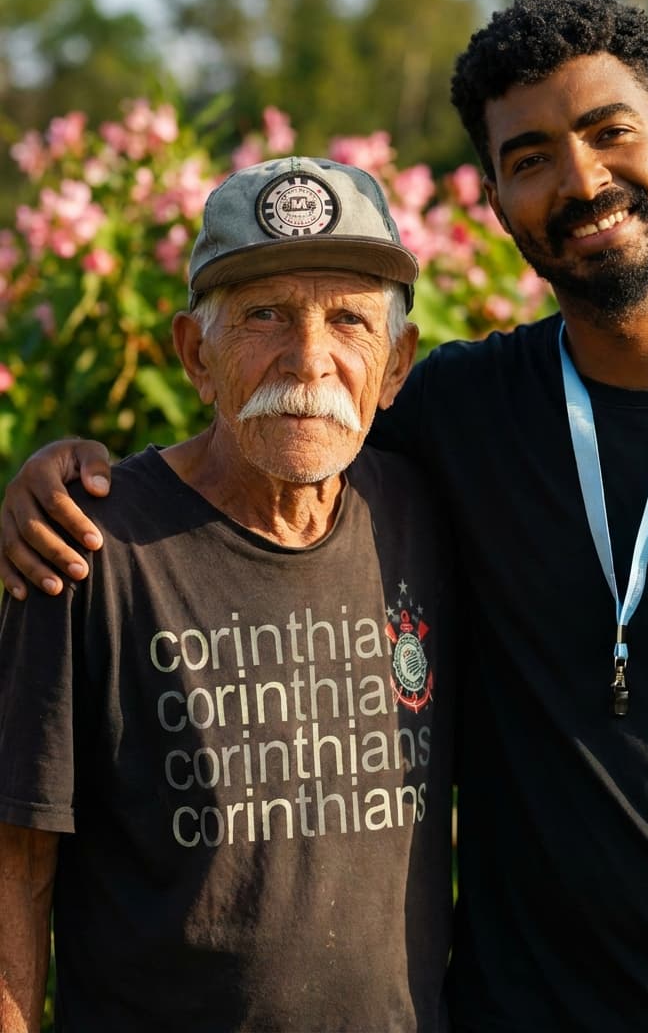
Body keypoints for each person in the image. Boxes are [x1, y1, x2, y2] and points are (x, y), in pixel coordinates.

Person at [1, 0, 648, 1030]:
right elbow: (264, 438)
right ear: (498, 205)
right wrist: (53, 476)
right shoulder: (455, 416)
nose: (581, 181)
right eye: (531, 159)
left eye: (609, 131)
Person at [0, 157, 456, 1033]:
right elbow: (16, 860)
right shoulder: (86, 548)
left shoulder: (424, 519)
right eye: (265, 315)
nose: (310, 359)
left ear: (396, 365)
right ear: (194, 355)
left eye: (349, 320)